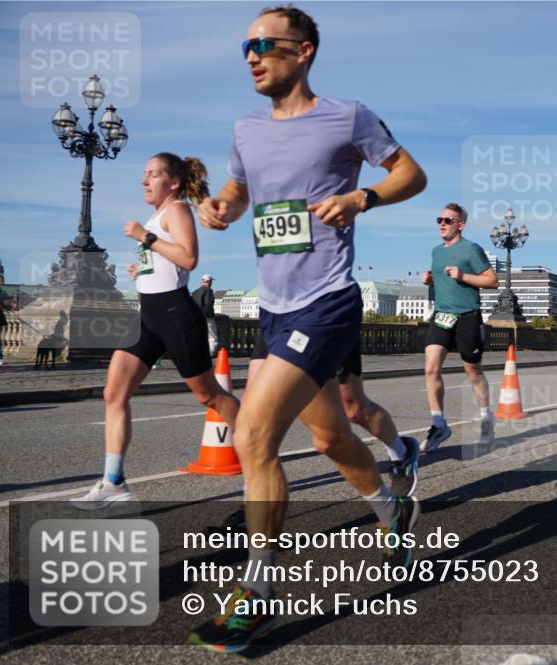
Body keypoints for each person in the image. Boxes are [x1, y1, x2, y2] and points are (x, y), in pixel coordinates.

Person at [189, 5, 427, 652]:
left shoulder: (346, 116)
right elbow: (242, 188)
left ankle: (256, 593)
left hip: (327, 300)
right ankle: (391, 507)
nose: (251, 55)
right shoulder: (246, 128)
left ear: (304, 51)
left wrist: (362, 197)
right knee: (328, 437)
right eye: (246, 46)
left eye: (265, 44)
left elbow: (411, 172)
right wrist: (222, 208)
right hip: (274, 305)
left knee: (254, 433)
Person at [71, 153, 241, 509]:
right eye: (144, 173)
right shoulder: (157, 215)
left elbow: (189, 258)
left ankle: (259, 438)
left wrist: (144, 237)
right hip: (148, 316)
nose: (144, 180)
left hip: (176, 315)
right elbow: (167, 260)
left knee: (210, 396)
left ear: (174, 182)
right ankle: (114, 482)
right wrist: (142, 268)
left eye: (152, 174)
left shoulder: (177, 210)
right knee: (113, 393)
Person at [248, 332, 420, 496]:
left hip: (323, 313)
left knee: (353, 409)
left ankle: (401, 454)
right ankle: (252, 507)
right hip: (274, 315)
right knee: (253, 413)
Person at [420, 203, 499, 450]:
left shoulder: (471, 249)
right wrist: (429, 281)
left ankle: (486, 415)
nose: (442, 224)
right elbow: (441, 287)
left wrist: (463, 276)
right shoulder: (435, 252)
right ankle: (439, 424)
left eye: (448, 220)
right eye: (439, 219)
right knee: (430, 368)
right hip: (442, 316)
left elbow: (492, 281)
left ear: (460, 225)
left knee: (473, 371)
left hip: (467, 316)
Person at [191, 274, 218, 356]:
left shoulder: (195, 292)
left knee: (199, 337)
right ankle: (209, 355)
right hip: (207, 317)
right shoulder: (209, 291)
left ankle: (197, 354)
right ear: (209, 281)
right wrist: (210, 315)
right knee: (213, 338)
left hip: (196, 317)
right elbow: (208, 304)